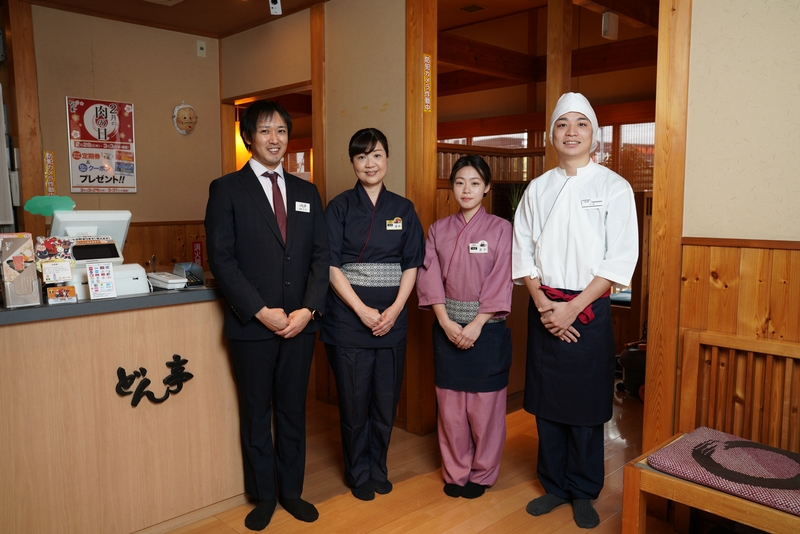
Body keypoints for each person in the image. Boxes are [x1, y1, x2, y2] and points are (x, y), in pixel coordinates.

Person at [511, 92, 638, 529]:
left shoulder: (613, 187)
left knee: (586, 405)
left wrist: (572, 308)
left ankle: (584, 489)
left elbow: (619, 260)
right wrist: (545, 305)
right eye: (562, 124)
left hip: (589, 307)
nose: (570, 132)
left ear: (593, 134)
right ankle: (555, 486)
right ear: (551, 135)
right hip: (544, 303)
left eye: (580, 124)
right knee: (547, 404)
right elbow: (522, 249)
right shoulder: (537, 187)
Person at [204, 100, 329, 531]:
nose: (274, 139)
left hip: (300, 325)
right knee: (257, 412)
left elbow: (319, 256)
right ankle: (263, 495)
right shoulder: (226, 189)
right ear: (249, 138)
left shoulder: (307, 192)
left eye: (280, 131)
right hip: (252, 327)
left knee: (293, 410)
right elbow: (222, 260)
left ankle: (291, 491)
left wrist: (308, 310)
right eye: (264, 131)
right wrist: (261, 311)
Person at [321, 128, 424, 501]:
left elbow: (412, 264)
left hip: (391, 321)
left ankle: (378, 466)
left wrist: (395, 309)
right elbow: (331, 266)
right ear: (352, 162)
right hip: (350, 319)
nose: (370, 163)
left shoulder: (404, 209)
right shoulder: (339, 207)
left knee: (385, 400)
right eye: (362, 156)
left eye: (377, 155)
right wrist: (363, 310)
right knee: (353, 401)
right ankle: (357, 472)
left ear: (387, 159)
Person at [416, 155, 513, 500]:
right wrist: (444, 321)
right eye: (459, 182)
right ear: (451, 186)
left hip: (487, 329)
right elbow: (428, 277)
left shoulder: (502, 229)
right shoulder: (437, 230)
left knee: (485, 410)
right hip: (446, 328)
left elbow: (502, 279)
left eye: (474, 182)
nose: (466, 189)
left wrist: (476, 324)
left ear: (486, 187)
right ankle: (455, 472)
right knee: (452, 408)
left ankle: (483, 473)